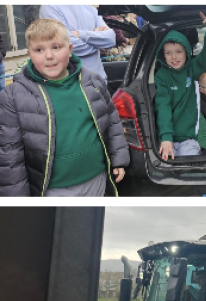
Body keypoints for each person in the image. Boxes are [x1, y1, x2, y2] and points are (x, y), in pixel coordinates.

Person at [0, 18, 129, 196]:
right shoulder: (13, 96)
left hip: (96, 179)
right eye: (39, 50)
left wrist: (118, 159)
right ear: (30, 54)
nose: (49, 56)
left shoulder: (92, 82)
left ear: (69, 50)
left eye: (56, 47)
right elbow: (9, 154)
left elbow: (112, 120)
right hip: (53, 189)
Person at [154, 13, 206, 160]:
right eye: (168, 53)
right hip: (167, 138)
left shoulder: (193, 68)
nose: (174, 57)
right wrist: (166, 137)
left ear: (187, 52)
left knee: (188, 165)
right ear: (162, 55)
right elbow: (163, 106)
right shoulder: (161, 77)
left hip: (190, 137)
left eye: (179, 51)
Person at [39, 5, 116, 82]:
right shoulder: (50, 8)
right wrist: (97, 40)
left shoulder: (90, 8)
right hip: (72, 85)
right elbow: (65, 46)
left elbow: (111, 39)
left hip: (100, 82)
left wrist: (79, 34)